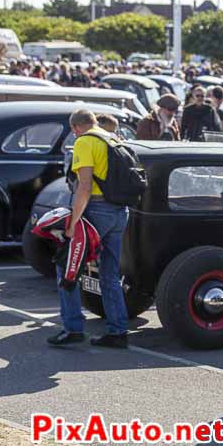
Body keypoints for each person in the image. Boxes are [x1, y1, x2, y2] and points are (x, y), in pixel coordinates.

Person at [47, 109, 130, 349]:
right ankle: (118, 331)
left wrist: (73, 223)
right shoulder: (112, 138)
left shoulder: (84, 142)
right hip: (120, 211)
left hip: (96, 210)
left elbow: (84, 187)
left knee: (66, 266)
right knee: (110, 273)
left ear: (75, 128)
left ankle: (73, 328)